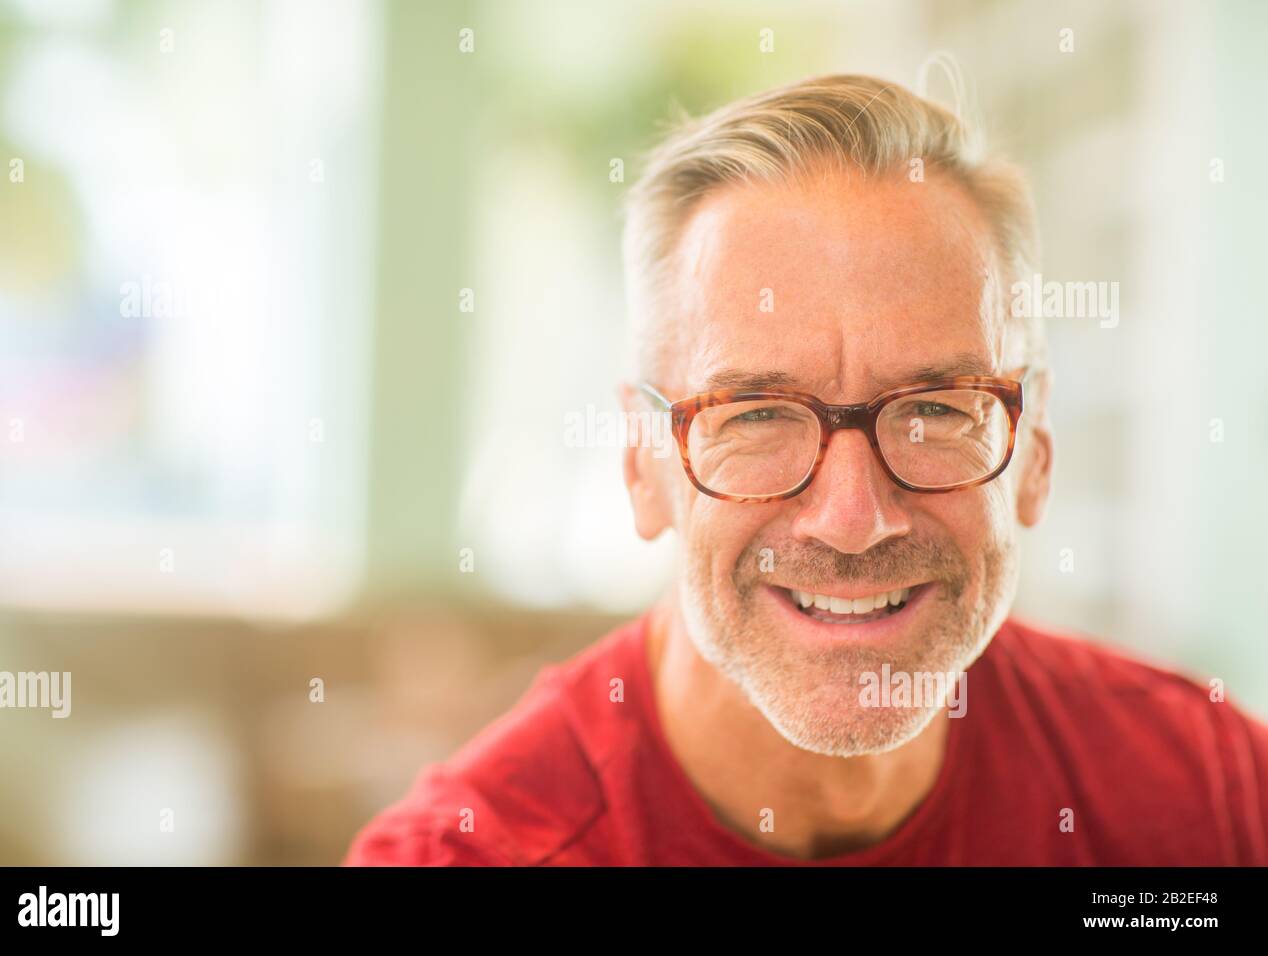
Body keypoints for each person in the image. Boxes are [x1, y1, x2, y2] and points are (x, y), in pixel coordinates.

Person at [345, 74, 1268, 865]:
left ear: (1034, 450)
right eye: (755, 416)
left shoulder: (1209, 799)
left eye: (936, 410)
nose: (851, 517)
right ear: (642, 461)